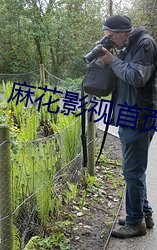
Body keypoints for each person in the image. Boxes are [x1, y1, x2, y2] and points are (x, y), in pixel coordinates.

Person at [99, 15, 157, 238]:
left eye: (111, 37)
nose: (110, 41)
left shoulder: (145, 44)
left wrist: (112, 61)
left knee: (132, 171)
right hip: (128, 115)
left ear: (123, 32)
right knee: (134, 169)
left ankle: (135, 223)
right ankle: (144, 214)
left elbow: (136, 77)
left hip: (139, 117)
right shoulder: (128, 46)